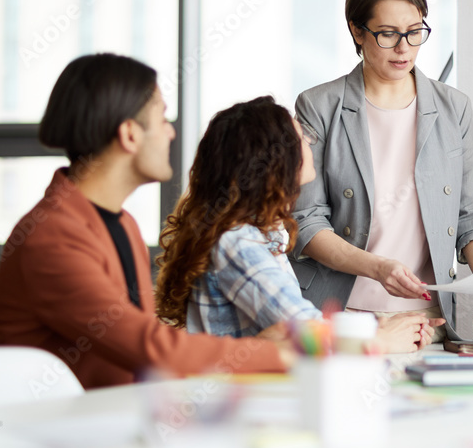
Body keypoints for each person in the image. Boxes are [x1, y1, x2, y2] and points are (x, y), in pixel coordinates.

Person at [0, 54, 293, 389]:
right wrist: (277, 355)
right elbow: (151, 348)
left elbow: (146, 341)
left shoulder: (123, 224)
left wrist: (257, 350)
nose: (171, 133)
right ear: (130, 134)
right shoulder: (52, 238)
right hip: (63, 432)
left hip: (117, 416)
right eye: (162, 118)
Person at [291, 0, 473, 339]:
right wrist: (378, 268)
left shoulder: (453, 108)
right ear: (357, 31)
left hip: (426, 316)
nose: (404, 48)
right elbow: (306, 221)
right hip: (340, 315)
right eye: (388, 34)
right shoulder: (319, 106)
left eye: (415, 33)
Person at [154, 97, 442, 352]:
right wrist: (383, 338)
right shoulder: (237, 241)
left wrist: (392, 327)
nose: (310, 143)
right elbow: (301, 328)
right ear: (273, 160)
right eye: (302, 137)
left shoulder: (262, 232)